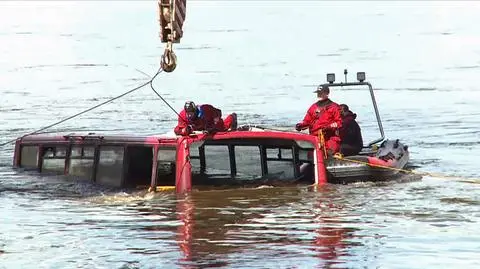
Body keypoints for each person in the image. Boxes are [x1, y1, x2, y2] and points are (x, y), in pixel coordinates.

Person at [295, 85, 342, 154]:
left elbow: (339, 122)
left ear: (327, 93)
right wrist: (300, 126)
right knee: (312, 153)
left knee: (331, 151)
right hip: (315, 138)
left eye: (321, 93)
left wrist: (328, 127)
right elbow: (307, 121)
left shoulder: (334, 107)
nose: (319, 94)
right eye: (318, 93)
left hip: (329, 138)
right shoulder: (313, 107)